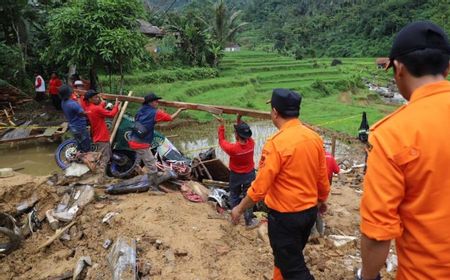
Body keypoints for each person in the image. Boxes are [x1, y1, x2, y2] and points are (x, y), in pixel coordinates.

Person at [359, 21, 450, 280]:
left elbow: (378, 234)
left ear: (398, 69)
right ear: (447, 67)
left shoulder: (392, 135)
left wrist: (366, 276)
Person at [231, 88, 330, 280]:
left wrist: (240, 208)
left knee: (294, 269)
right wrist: (322, 199)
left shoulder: (276, 144)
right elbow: (322, 177)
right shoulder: (314, 138)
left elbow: (260, 188)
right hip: (309, 214)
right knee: (285, 261)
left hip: (285, 219)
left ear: (275, 112)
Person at [216, 114, 258, 229]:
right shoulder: (251, 143)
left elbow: (221, 141)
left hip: (236, 175)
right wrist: (239, 120)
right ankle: (249, 221)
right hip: (250, 173)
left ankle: (235, 218)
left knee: (234, 194)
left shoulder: (233, 149)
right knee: (248, 195)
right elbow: (245, 134)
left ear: (236, 135)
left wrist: (221, 126)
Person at [128, 93, 184, 177]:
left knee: (140, 161)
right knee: (151, 163)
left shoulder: (141, 110)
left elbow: (144, 120)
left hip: (132, 139)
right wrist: (180, 110)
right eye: (156, 101)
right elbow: (170, 118)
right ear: (150, 102)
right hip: (141, 143)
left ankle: (138, 174)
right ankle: (153, 181)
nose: (157, 103)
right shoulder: (155, 113)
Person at [84, 90, 120, 174]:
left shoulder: (89, 108)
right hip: (102, 137)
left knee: (105, 156)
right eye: (95, 97)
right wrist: (116, 106)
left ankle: (104, 174)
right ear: (90, 99)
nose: (98, 99)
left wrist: (102, 103)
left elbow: (99, 108)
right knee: (104, 158)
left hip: (97, 136)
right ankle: (100, 178)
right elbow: (111, 114)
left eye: (98, 97)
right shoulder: (96, 109)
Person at [59, 85, 91, 154]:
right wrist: (79, 98)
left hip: (73, 126)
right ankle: (85, 159)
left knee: (79, 144)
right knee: (86, 146)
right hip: (79, 127)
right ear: (70, 93)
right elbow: (82, 112)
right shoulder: (72, 104)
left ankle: (79, 157)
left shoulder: (63, 102)